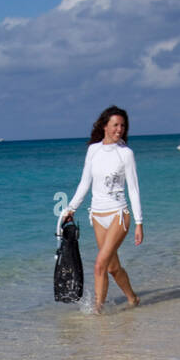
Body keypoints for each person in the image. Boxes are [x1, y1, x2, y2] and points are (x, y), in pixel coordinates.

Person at [61, 106, 143, 312]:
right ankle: (133, 299)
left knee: (100, 265)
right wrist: (70, 209)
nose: (119, 129)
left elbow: (133, 189)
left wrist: (139, 222)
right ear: (104, 126)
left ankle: (97, 311)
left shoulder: (126, 154)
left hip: (119, 214)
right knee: (113, 267)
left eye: (123, 126)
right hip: (97, 216)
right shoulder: (93, 150)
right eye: (115, 125)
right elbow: (84, 183)